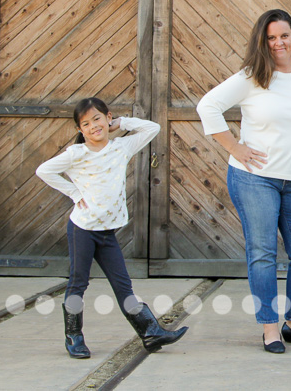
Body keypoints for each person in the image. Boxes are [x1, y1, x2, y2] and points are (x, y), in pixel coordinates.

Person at [196, 9, 291, 354]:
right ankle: (269, 327)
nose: (279, 43)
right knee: (263, 254)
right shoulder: (253, 77)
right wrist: (235, 147)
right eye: (271, 37)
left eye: (284, 35)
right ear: (262, 42)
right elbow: (208, 106)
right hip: (254, 180)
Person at [36, 98, 187, 359]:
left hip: (107, 232)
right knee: (78, 283)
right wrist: (74, 193)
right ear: (80, 130)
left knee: (123, 286)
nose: (93, 126)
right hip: (82, 230)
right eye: (86, 123)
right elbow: (43, 171)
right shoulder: (76, 154)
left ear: (108, 118)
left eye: (97, 119)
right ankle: (74, 337)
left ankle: (151, 333)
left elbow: (152, 128)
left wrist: (122, 123)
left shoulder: (121, 147)